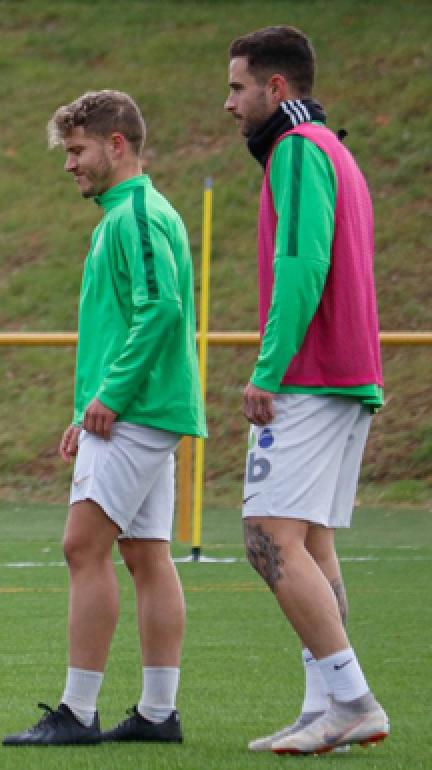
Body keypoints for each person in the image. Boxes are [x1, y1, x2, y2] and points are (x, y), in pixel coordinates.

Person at [2, 90, 206, 747]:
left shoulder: (137, 214)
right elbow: (128, 321)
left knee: (82, 547)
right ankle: (157, 713)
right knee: (147, 554)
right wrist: (85, 405)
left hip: (136, 411)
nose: (70, 165)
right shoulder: (128, 214)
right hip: (140, 408)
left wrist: (111, 396)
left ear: (116, 145)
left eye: (77, 150)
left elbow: (161, 309)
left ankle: (78, 711)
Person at [224, 26, 389, 755]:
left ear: (276, 87)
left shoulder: (295, 150)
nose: (229, 103)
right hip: (347, 375)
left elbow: (301, 265)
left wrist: (269, 368)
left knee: (267, 537)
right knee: (312, 541)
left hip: (311, 376)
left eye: (237, 87)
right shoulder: (333, 149)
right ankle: (323, 705)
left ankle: (353, 700)